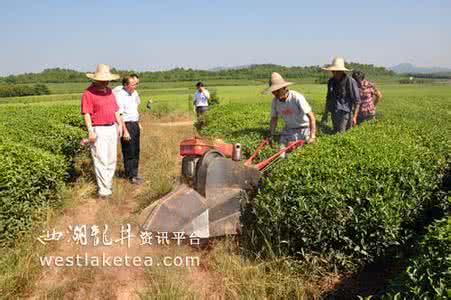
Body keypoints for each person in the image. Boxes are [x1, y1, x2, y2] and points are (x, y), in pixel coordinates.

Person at [81, 64, 124, 199]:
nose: (106, 82)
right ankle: (104, 192)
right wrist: (90, 131)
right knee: (101, 160)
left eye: (107, 79)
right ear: (96, 79)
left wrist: (120, 125)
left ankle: (108, 185)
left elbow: (116, 110)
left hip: (112, 128)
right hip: (98, 128)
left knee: (112, 160)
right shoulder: (88, 93)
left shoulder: (110, 92)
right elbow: (87, 113)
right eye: (103, 79)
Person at [265, 72, 316, 147]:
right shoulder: (275, 101)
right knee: (281, 148)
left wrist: (312, 136)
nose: (275, 93)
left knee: (299, 150)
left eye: (277, 91)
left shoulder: (296, 97)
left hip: (304, 128)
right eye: (273, 92)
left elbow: (311, 116)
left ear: (284, 88)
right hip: (289, 129)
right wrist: (271, 135)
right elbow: (274, 119)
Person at [114, 75, 144, 184]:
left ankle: (135, 174)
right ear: (126, 85)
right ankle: (130, 176)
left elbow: (135, 110)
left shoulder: (134, 93)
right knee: (129, 151)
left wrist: (138, 123)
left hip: (134, 123)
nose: (135, 86)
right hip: (126, 125)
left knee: (136, 150)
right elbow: (120, 114)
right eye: (133, 84)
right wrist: (125, 130)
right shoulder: (120, 95)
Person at [322, 57, 361, 133]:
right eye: (333, 71)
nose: (334, 73)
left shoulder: (350, 81)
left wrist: (355, 117)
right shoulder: (331, 81)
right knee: (336, 132)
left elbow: (357, 101)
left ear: (342, 71)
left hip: (345, 114)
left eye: (337, 71)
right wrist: (326, 113)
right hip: (334, 113)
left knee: (341, 133)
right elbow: (328, 98)